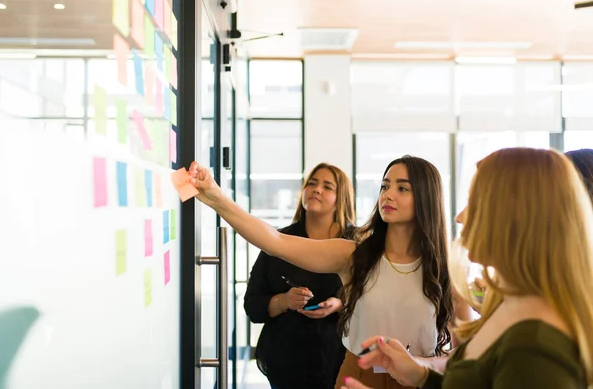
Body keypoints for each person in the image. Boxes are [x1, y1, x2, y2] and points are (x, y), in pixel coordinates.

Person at [188, 155, 470, 389]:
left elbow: (468, 353)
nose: (388, 194)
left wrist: (424, 366)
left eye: (402, 188)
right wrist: (215, 196)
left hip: (419, 380)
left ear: (426, 197)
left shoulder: (446, 270)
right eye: (385, 186)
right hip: (358, 375)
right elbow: (275, 242)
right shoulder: (354, 256)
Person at [343, 147, 593, 389]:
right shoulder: (511, 306)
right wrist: (421, 375)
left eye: (474, 203)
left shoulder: (535, 341)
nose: (459, 217)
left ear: (516, 218)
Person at [243, 163, 355, 389]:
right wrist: (283, 301)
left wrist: (340, 304)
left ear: (341, 196)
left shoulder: (357, 243)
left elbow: (374, 299)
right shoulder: (278, 242)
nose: (316, 190)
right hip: (286, 362)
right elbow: (252, 305)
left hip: (340, 360)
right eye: (311, 184)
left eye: (327, 186)